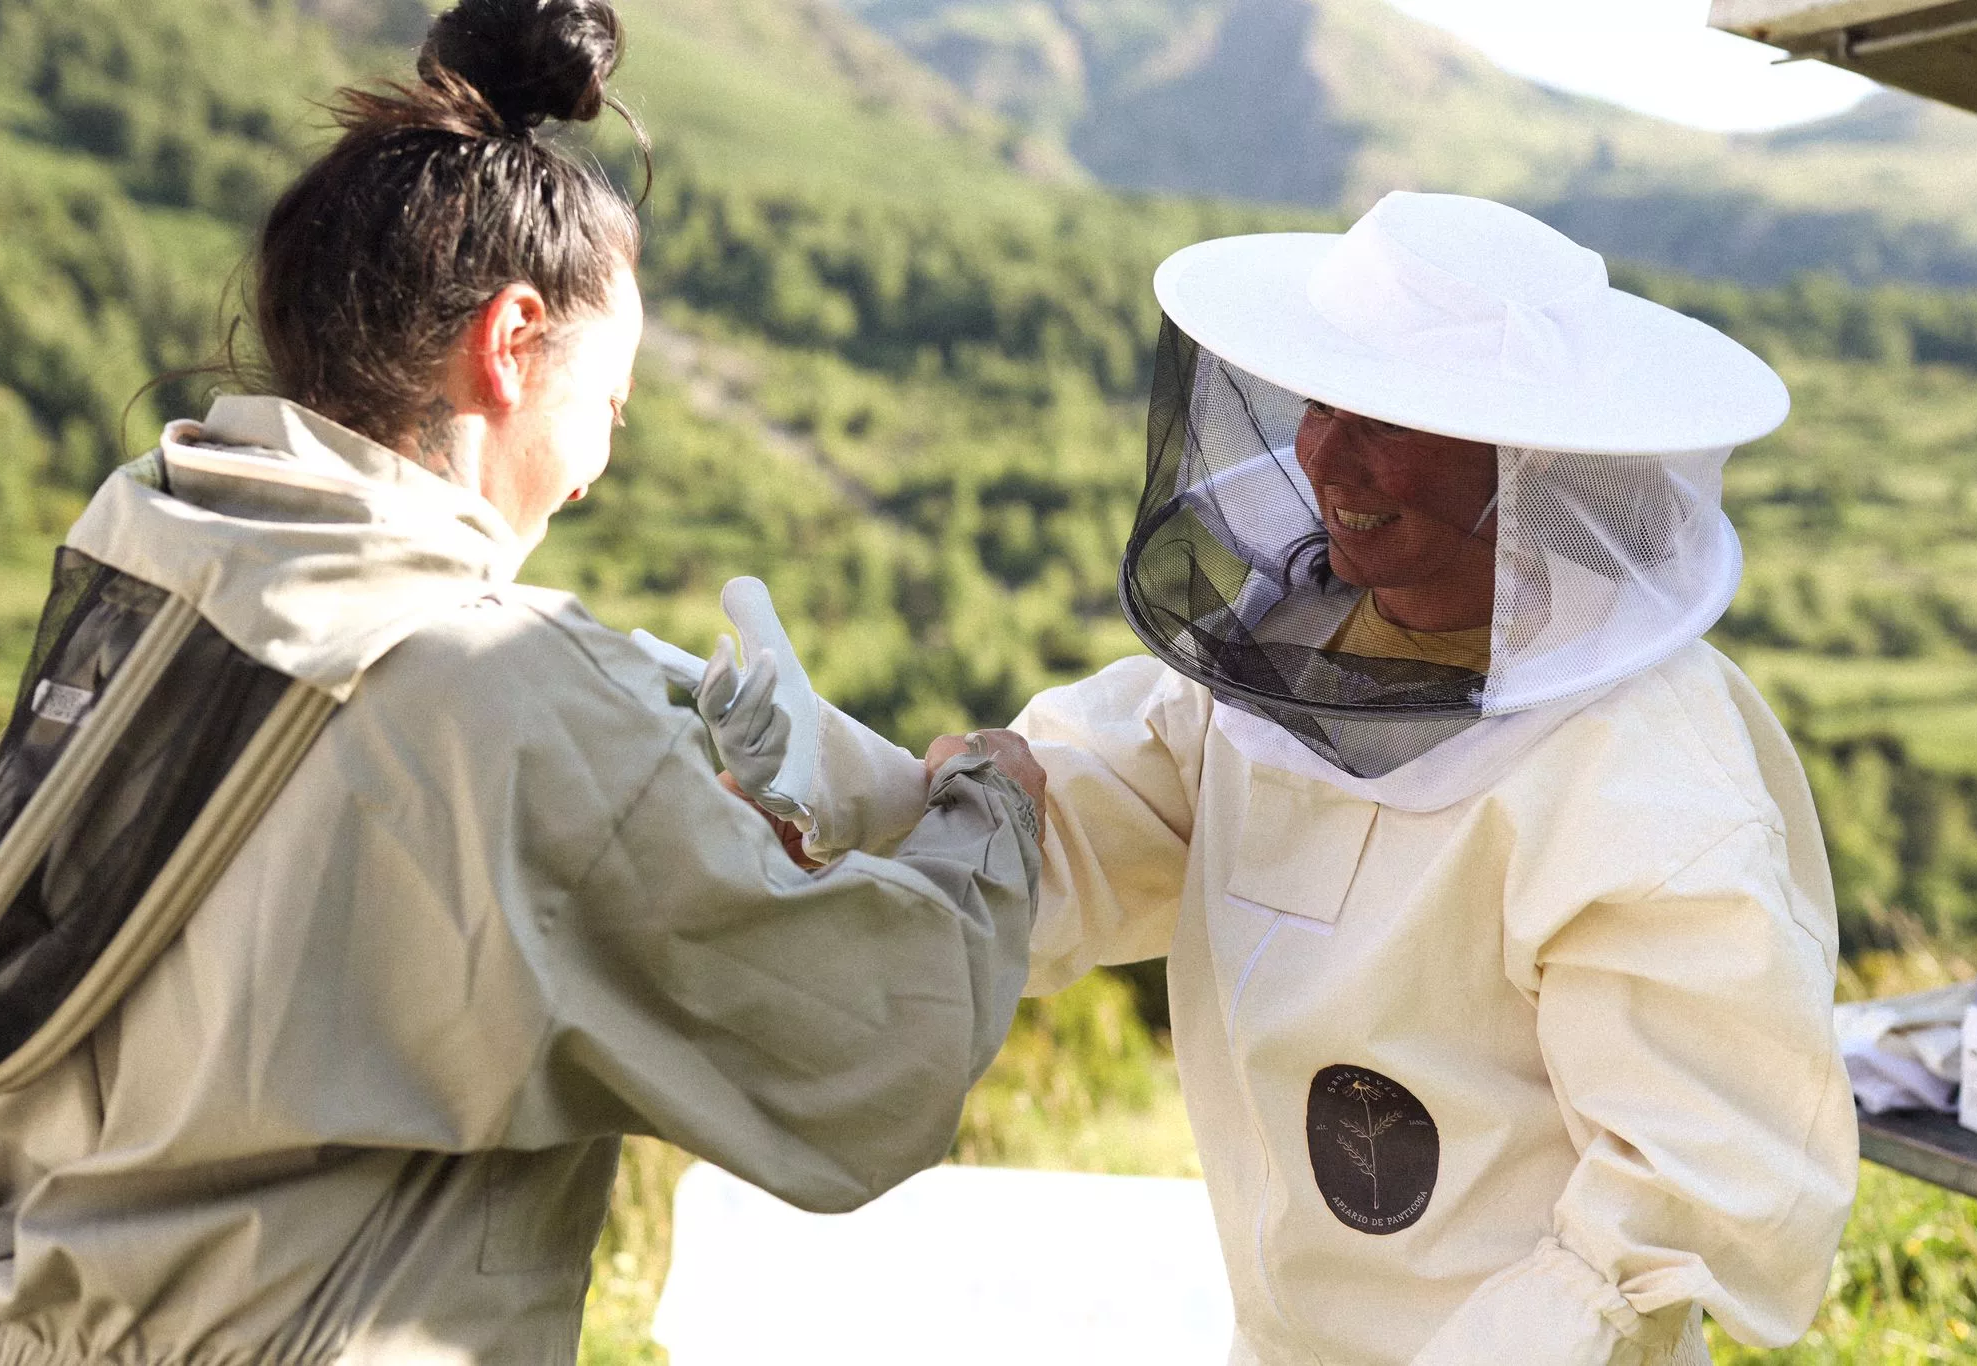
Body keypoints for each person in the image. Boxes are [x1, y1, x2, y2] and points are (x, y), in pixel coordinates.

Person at [0, 2, 1043, 1363]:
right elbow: (874, 1046)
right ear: (510, 338)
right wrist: (985, 813)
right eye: (610, 398)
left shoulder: (158, 549)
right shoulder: (503, 686)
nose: (604, 457)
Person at [739, 193, 1859, 1364]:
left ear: (1518, 455)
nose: (1322, 454)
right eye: (1321, 402)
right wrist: (839, 794)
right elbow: (1063, 821)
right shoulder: (1290, 642)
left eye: (1383, 419)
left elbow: (1682, 1193)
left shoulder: (1642, 774)